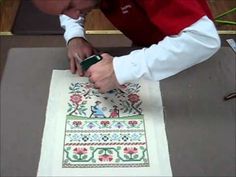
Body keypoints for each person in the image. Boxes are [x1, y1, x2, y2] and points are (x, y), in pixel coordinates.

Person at [33, 0, 220, 93]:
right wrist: (74, 35)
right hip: (146, 49)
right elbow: (65, 8)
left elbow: (203, 40)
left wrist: (119, 69)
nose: (73, 15)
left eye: (71, 5)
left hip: (192, 55)